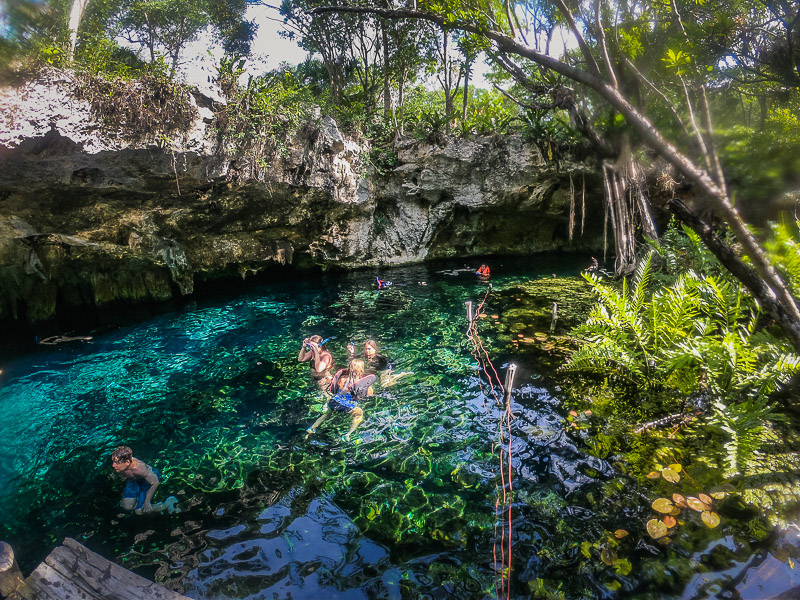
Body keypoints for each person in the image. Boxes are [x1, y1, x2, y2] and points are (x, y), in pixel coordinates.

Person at [306, 359, 376, 441]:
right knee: (359, 414)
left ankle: (312, 428)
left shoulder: (342, 378)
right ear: (361, 369)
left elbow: (340, 389)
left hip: (333, 403)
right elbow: (370, 394)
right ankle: (348, 434)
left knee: (326, 415)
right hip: (347, 406)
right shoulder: (360, 382)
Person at [111, 446, 178, 515]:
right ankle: (146, 502)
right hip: (134, 480)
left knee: (139, 511)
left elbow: (155, 483)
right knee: (127, 507)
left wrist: (147, 502)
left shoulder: (139, 468)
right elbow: (118, 472)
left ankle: (166, 504)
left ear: (127, 462)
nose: (113, 465)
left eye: (116, 463)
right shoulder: (120, 466)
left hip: (147, 482)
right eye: (113, 461)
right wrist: (115, 475)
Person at [347, 339, 412, 387]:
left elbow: (389, 362)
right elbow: (353, 359)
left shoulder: (380, 358)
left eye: (369, 349)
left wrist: (389, 371)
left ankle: (400, 375)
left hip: (383, 369)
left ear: (375, 349)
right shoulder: (364, 355)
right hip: (376, 370)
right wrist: (352, 353)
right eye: (366, 349)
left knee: (384, 385)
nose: (367, 351)